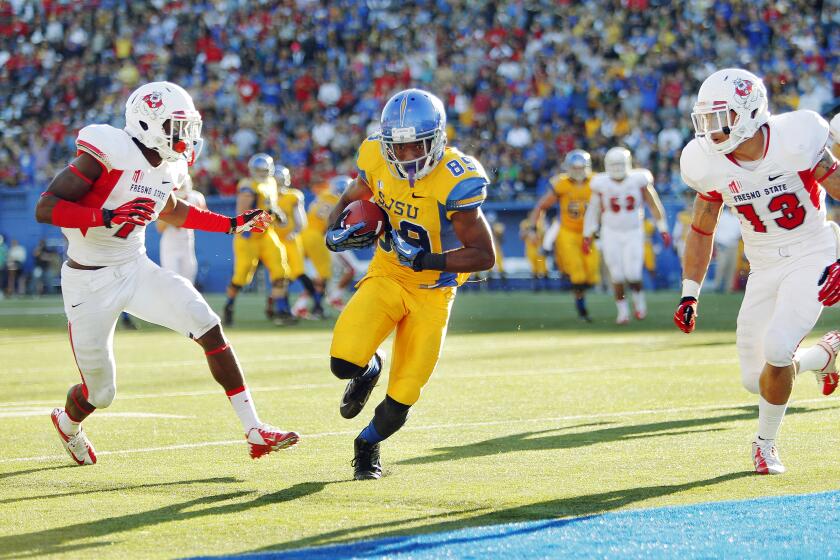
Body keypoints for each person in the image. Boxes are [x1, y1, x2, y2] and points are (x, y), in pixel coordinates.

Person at [34, 81, 299, 466]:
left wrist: (231, 224)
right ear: (147, 123)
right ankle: (68, 424)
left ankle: (254, 429)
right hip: (88, 280)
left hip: (135, 268)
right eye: (178, 127)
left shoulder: (168, 166)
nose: (186, 137)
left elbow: (171, 208)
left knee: (206, 322)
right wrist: (105, 216)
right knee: (100, 393)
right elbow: (46, 207)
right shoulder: (108, 151)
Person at [675, 68, 840, 475]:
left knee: (779, 348)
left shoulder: (796, 139)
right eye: (706, 119)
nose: (711, 130)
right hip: (763, 265)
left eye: (720, 118)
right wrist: (689, 291)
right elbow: (701, 228)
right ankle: (825, 354)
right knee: (756, 378)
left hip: (812, 251)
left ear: (749, 113)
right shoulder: (707, 163)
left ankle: (765, 446)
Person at [325, 88, 495, 480]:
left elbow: (484, 255)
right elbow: (354, 193)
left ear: (436, 140)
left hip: (434, 291)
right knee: (342, 362)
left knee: (402, 397)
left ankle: (366, 444)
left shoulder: (456, 180)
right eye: (396, 148)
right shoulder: (374, 158)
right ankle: (367, 370)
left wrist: (427, 260)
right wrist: (334, 229)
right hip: (388, 274)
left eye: (415, 146)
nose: (405, 157)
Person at [583, 147, 671, 324]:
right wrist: (587, 234)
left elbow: (654, 205)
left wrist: (662, 227)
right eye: (613, 164)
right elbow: (592, 211)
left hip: (633, 231)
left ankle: (640, 306)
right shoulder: (601, 183)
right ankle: (622, 313)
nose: (616, 168)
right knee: (616, 275)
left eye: (619, 164)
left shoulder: (638, 180)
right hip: (610, 232)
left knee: (633, 273)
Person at [223, 153, 295, 326]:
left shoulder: (271, 183)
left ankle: (281, 311)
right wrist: (267, 214)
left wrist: (276, 212)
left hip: (266, 233)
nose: (261, 173)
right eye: (258, 170)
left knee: (280, 270)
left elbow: (271, 204)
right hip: (248, 236)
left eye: (264, 170)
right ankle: (228, 307)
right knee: (242, 277)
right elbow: (241, 214)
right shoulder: (248, 187)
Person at [530, 150, 599, 322]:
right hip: (568, 232)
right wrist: (533, 227)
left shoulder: (596, 182)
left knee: (592, 275)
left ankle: (579, 295)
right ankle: (582, 311)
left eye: (580, 167)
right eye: (574, 168)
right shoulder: (561, 184)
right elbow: (541, 206)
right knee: (578, 275)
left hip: (588, 234)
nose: (577, 171)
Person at [273, 166, 324, 320]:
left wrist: (294, 232)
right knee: (280, 276)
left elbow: (301, 221)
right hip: (274, 241)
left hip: (290, 240)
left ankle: (317, 304)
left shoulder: (293, 196)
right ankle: (282, 309)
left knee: (299, 273)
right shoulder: (266, 195)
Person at [157, 175, 206, 285]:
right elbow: (160, 228)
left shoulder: (196, 198)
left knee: (189, 281)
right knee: (172, 281)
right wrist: (171, 213)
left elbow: (204, 220)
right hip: (170, 246)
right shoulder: (167, 200)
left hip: (187, 245)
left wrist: (190, 216)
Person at [707, 207, 742, 293]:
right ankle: (717, 286)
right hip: (722, 245)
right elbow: (715, 229)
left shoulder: (738, 217)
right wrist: (716, 242)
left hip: (733, 245)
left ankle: (728, 288)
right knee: (721, 265)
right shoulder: (722, 216)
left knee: (731, 267)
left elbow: (740, 232)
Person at [520, 217, 547, 291]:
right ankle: (535, 287)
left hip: (539, 249)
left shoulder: (541, 223)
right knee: (533, 269)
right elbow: (521, 236)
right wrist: (528, 231)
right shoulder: (525, 224)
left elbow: (544, 235)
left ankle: (547, 287)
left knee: (543, 269)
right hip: (530, 249)